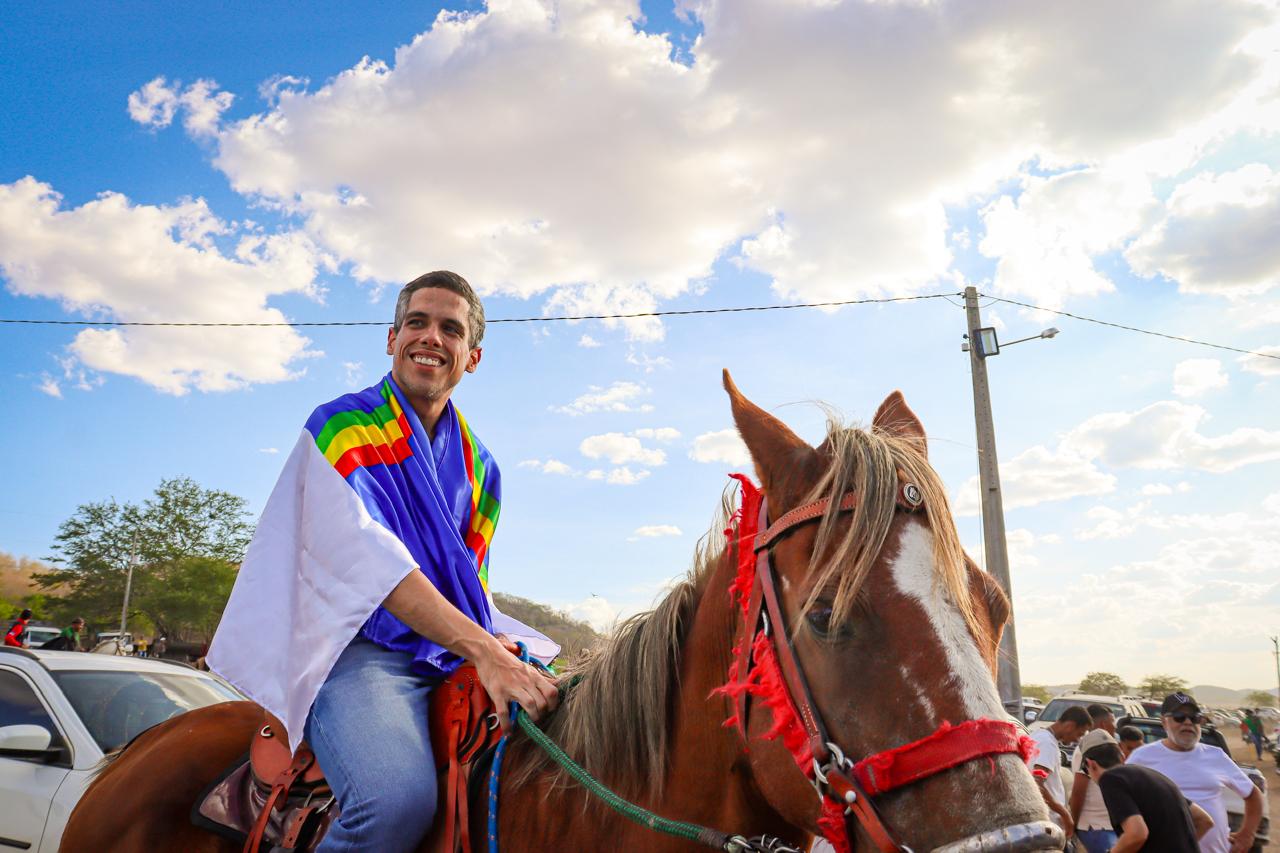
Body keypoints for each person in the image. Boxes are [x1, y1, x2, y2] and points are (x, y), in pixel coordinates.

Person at [208, 271, 560, 853]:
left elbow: (467, 585)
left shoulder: (482, 469)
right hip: (358, 652)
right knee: (394, 805)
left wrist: (499, 650)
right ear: (391, 338)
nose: (430, 337)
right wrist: (483, 650)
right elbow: (370, 567)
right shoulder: (340, 428)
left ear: (472, 358)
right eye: (417, 323)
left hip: (448, 652)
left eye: (450, 328)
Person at [1127, 693, 1263, 853]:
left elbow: (1253, 794)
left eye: (1194, 717)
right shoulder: (1142, 757)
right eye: (1179, 717)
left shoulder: (1216, 755)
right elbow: (1123, 802)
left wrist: (1247, 834)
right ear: (1164, 722)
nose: (1187, 722)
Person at [1082, 728, 1213, 852]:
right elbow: (1204, 820)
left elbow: (1137, 833)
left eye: (1085, 770)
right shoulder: (1151, 775)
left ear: (1090, 764)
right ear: (1122, 756)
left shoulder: (1110, 779)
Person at [1029, 704, 1092, 839]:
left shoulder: (1038, 735)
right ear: (1070, 725)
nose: (1077, 739)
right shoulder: (1048, 744)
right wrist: (1064, 813)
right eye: (1079, 734)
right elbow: (1037, 784)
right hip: (1047, 823)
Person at [1068, 705, 1119, 853]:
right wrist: (1074, 826)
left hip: (1108, 825)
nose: (1115, 726)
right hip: (1095, 827)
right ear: (1103, 724)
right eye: (1113, 721)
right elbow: (1078, 793)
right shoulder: (1086, 750)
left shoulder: (1107, 749)